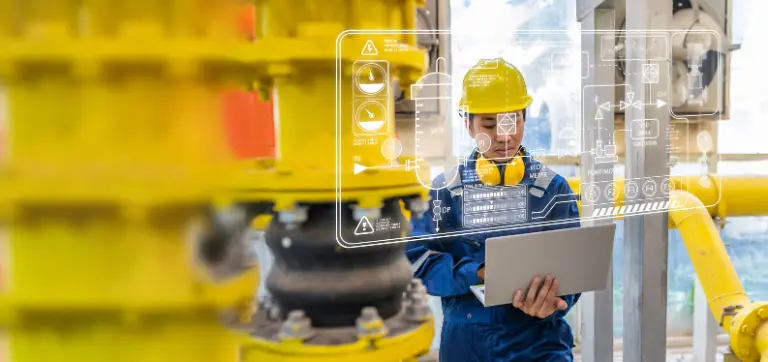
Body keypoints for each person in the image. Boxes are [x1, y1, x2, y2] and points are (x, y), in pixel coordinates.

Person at [406, 58, 582, 362]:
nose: (504, 135)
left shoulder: (553, 189)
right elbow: (417, 262)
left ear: (525, 119)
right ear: (468, 124)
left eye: (513, 120)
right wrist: (477, 273)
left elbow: (575, 268)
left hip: (539, 342)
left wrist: (554, 299)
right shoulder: (444, 191)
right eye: (489, 124)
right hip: (468, 346)